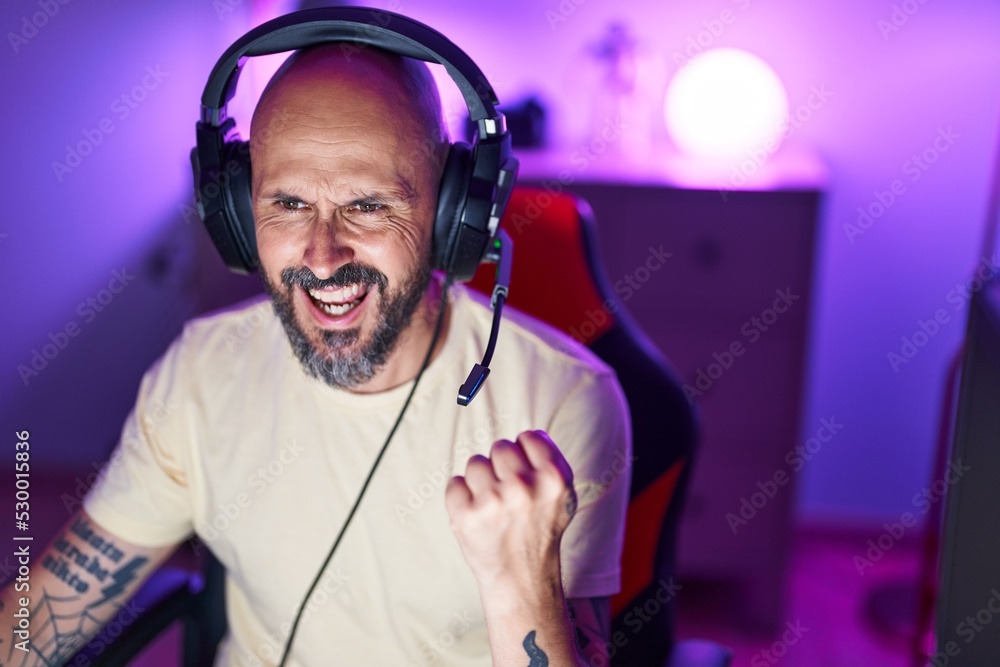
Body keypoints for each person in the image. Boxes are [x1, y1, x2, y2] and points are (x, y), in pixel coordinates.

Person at [0, 31, 631, 667]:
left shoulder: (561, 403)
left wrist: (522, 585)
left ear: (451, 219)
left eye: (368, 205)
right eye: (290, 203)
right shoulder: (203, 371)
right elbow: (42, 619)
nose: (323, 257)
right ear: (239, 217)